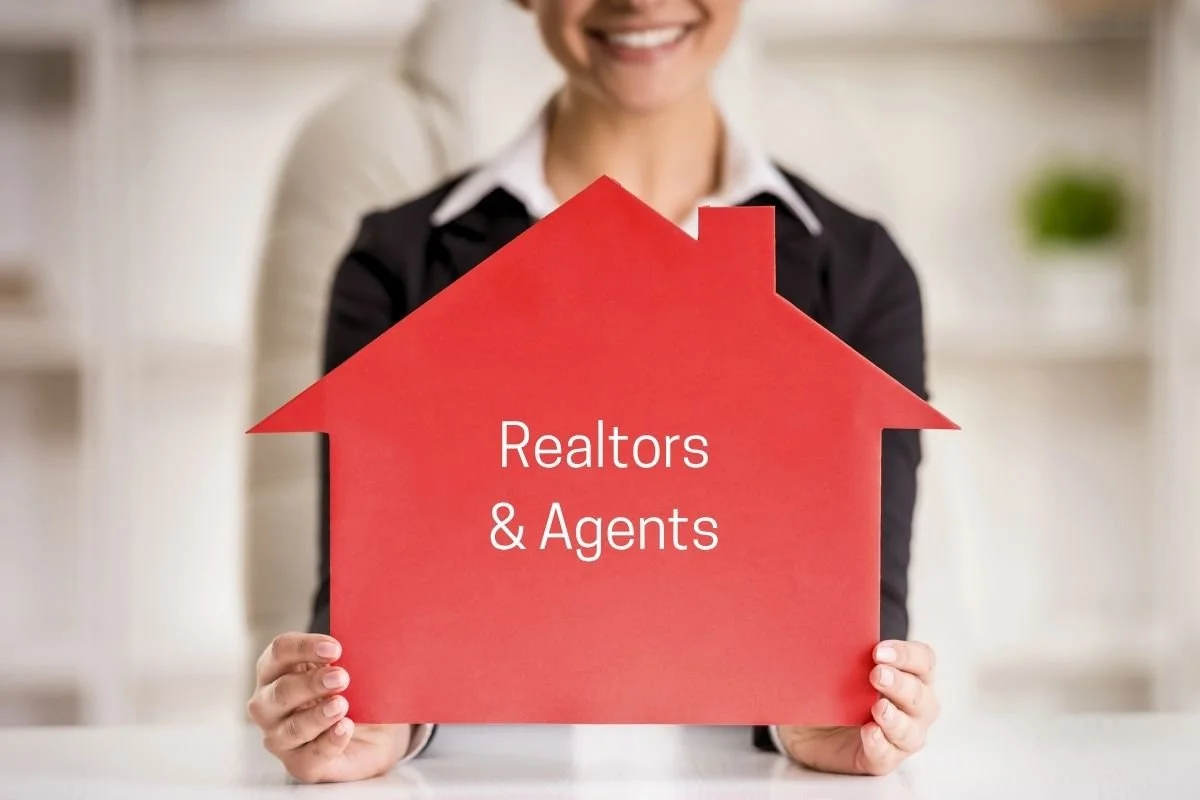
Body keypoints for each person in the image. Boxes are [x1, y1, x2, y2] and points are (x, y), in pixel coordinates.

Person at [246, 0, 940, 784]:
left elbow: (864, 611)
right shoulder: (401, 265)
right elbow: (365, 604)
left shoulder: (857, 277)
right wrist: (356, 717)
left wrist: (827, 715)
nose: (640, 2)